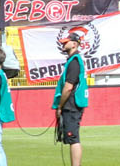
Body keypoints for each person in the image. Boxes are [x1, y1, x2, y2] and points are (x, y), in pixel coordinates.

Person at [53, 28, 89, 166]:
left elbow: (68, 87)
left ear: (74, 44)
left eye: (66, 42)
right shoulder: (74, 60)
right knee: (71, 138)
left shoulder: (74, 61)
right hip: (73, 104)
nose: (63, 44)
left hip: (72, 104)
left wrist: (60, 106)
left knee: (73, 138)